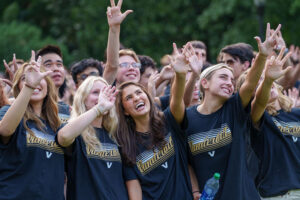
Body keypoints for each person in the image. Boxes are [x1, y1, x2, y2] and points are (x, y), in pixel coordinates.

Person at [186, 23, 281, 200]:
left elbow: (250, 84)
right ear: (204, 83)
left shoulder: (233, 109)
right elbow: (187, 161)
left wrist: (262, 55)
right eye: (223, 77)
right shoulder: (188, 117)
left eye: (231, 79)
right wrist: (195, 191)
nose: (230, 83)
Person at [115, 43, 193, 199]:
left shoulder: (169, 122)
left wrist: (180, 74)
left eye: (139, 92)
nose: (136, 98)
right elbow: (134, 187)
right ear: (124, 110)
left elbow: (177, 101)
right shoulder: (126, 143)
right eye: (129, 98)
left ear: (148, 97)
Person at [0, 59, 64, 200]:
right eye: (25, 78)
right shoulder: (7, 111)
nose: (34, 80)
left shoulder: (57, 124)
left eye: (39, 76)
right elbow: (4, 130)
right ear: (19, 87)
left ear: (48, 85)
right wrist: (29, 87)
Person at [57, 76, 128, 200]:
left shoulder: (114, 134)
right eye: (96, 93)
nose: (102, 97)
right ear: (83, 98)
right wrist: (99, 108)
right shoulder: (76, 131)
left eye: (105, 92)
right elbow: (63, 137)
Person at [248, 47, 300, 199]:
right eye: (259, 84)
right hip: (277, 194)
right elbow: (257, 106)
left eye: (266, 80)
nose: (265, 84)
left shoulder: (295, 113)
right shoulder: (258, 118)